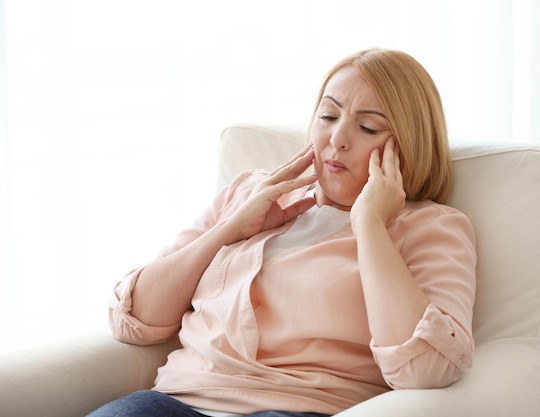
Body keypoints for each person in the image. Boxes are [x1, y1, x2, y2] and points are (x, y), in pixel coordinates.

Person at [87, 48, 477, 417]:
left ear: (407, 144)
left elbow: (427, 367)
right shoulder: (248, 193)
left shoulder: (431, 228)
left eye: (367, 126)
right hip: (175, 400)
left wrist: (371, 226)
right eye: (328, 116)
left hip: (299, 406)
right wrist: (229, 228)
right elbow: (134, 319)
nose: (337, 139)